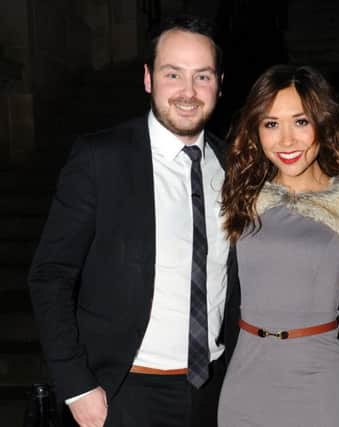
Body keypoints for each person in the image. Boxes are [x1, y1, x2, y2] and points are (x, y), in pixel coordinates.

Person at [28, 15, 238, 427]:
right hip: (123, 394)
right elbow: (50, 275)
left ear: (219, 83)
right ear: (148, 78)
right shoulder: (100, 159)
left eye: (202, 77)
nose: (188, 93)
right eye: (173, 74)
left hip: (215, 392)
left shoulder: (234, 164)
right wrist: (77, 386)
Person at [217, 65, 339, 426]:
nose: (286, 141)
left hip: (319, 379)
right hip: (246, 378)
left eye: (301, 122)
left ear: (323, 123)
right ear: (257, 130)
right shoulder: (241, 195)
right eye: (271, 124)